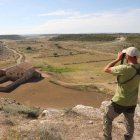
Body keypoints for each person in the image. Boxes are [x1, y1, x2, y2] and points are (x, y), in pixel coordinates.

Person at [103, 47, 140, 140]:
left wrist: (118, 59)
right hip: (132, 102)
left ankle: (107, 138)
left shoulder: (124, 69)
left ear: (126, 56)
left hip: (119, 101)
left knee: (108, 117)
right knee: (129, 122)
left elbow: (106, 69)